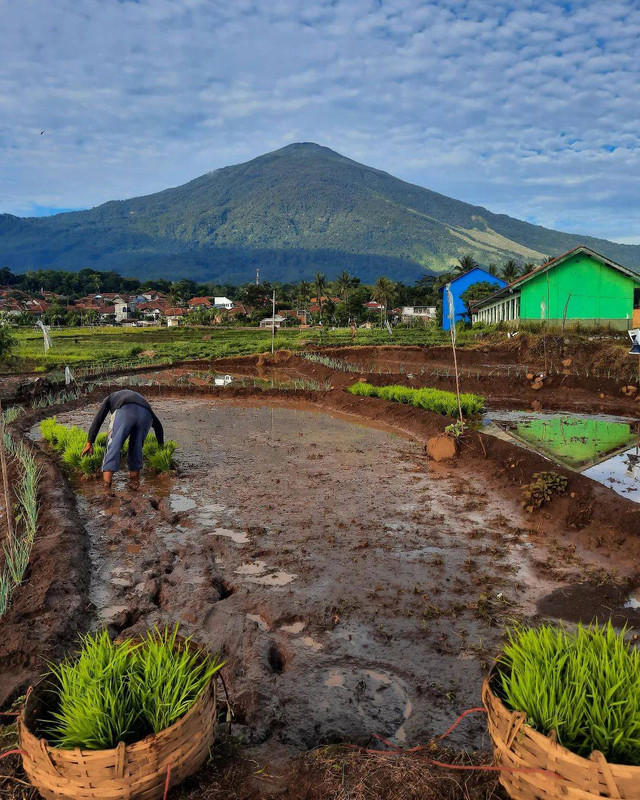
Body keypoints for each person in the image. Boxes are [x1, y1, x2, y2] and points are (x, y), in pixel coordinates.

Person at [81, 389, 164, 488]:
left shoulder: (110, 398)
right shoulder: (139, 400)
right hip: (146, 415)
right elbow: (159, 427)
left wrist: (89, 442)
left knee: (113, 446)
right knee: (136, 449)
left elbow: (98, 419)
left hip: (125, 410)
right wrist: (161, 448)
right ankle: (134, 483)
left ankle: (106, 488)